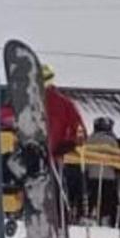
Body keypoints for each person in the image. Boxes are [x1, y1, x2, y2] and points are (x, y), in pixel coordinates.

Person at [42, 65, 86, 224]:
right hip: (54, 157)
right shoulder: (65, 104)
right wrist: (69, 144)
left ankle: (48, 229)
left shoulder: (32, 104)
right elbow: (81, 132)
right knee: (57, 195)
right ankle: (60, 230)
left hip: (40, 158)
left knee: (41, 198)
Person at [85, 117, 120, 226]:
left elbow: (86, 158)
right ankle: (105, 218)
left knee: (93, 196)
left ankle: (92, 215)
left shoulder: (90, 140)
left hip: (93, 175)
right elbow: (116, 159)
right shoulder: (112, 141)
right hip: (108, 176)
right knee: (107, 200)